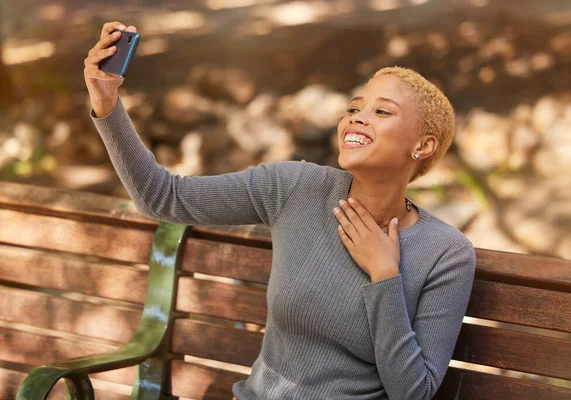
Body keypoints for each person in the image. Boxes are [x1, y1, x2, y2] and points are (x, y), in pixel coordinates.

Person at [84, 21, 476, 400]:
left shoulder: (446, 253)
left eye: (382, 112)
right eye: (355, 107)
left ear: (423, 146)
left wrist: (385, 276)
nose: (356, 117)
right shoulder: (294, 187)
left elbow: (414, 392)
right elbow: (163, 197)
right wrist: (107, 104)